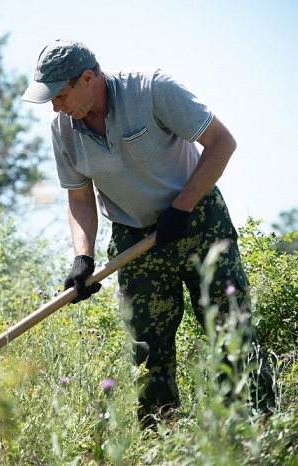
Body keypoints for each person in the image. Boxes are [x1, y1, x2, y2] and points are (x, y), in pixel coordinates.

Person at [22, 39, 275, 427]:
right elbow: (80, 199)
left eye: (58, 95)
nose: (55, 106)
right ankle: (161, 441)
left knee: (230, 331)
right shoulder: (64, 131)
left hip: (198, 220)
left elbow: (222, 143)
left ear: (88, 78)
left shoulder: (154, 90)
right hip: (135, 238)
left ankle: (257, 430)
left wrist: (182, 207)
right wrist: (83, 256)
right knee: (147, 350)